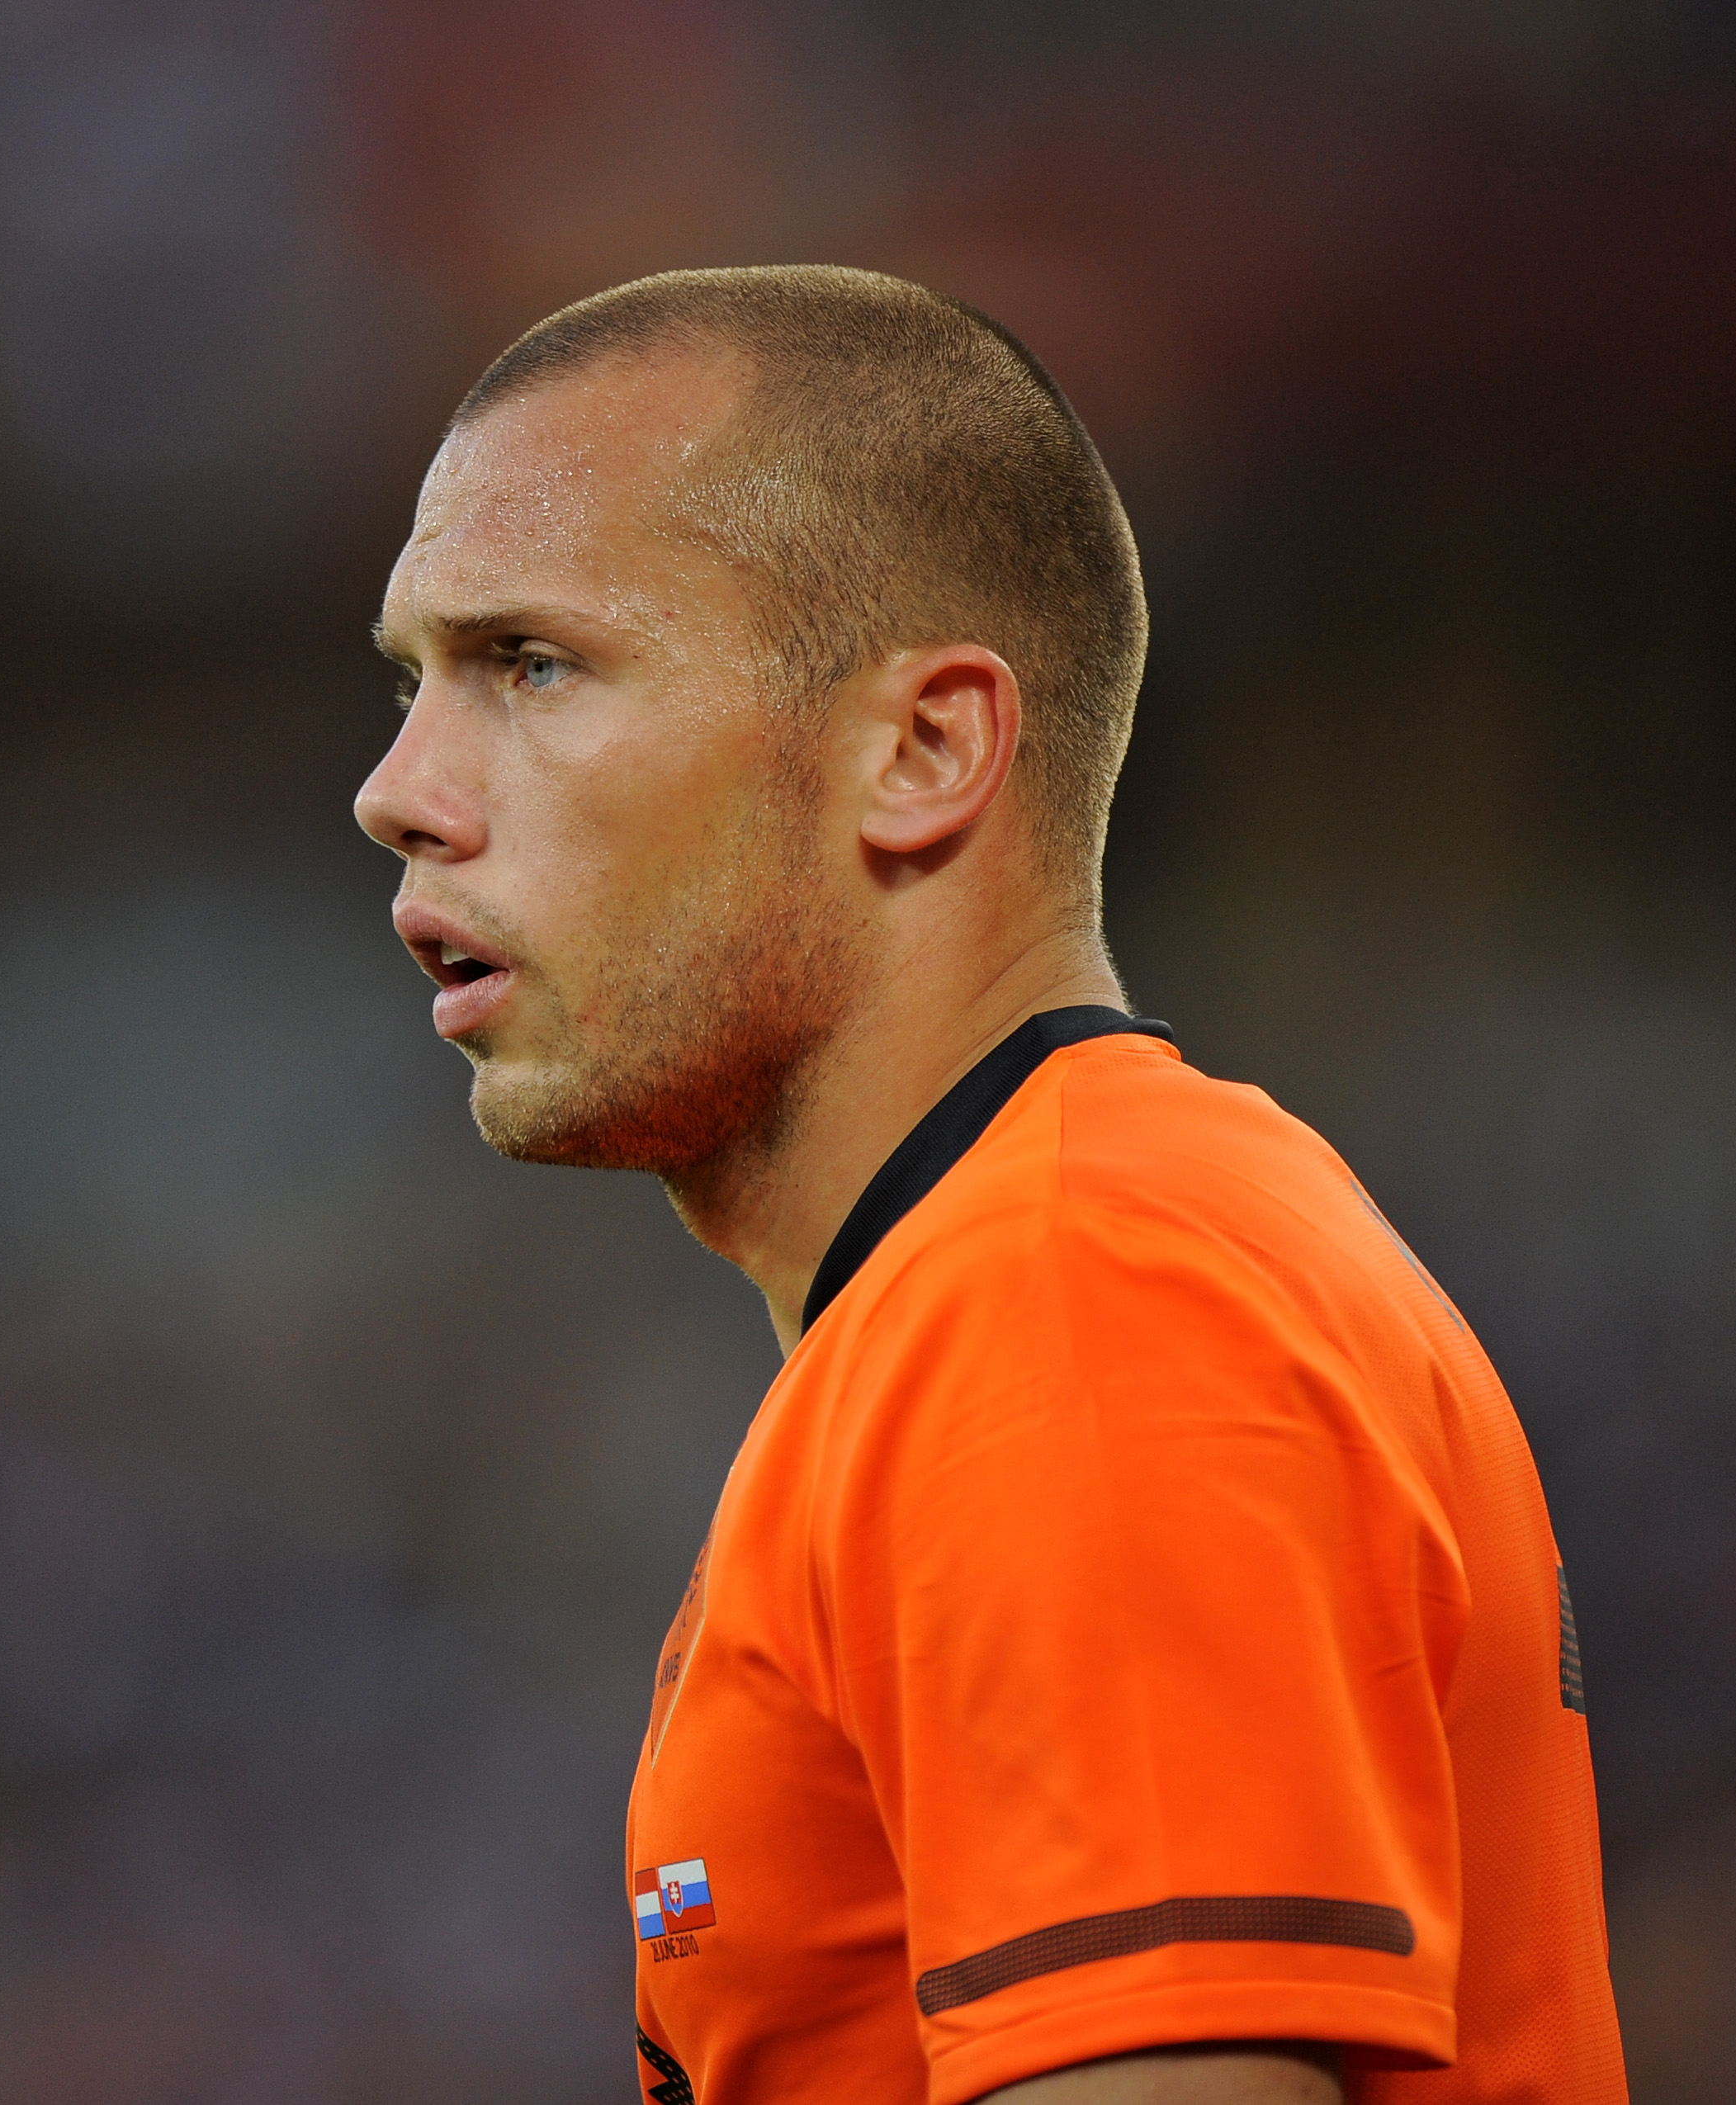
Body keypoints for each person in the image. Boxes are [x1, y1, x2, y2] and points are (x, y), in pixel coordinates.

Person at [355, 267, 1625, 2105]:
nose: (398, 790)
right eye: (412, 682)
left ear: (922, 751)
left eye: (530, 664)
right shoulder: (1032, 1273)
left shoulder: (1068, 1301)